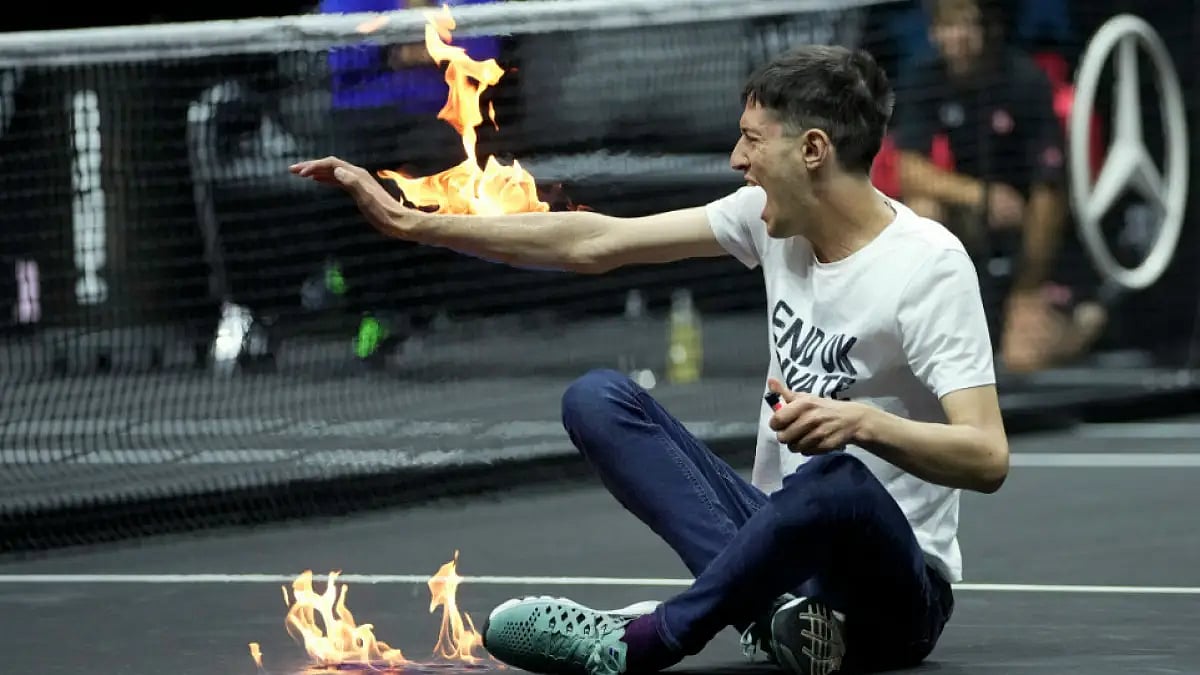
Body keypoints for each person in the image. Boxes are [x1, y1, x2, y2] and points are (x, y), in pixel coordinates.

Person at [290, 43, 1009, 675]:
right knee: (598, 398)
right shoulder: (768, 224)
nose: (737, 160)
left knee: (836, 482)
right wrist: (413, 223)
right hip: (780, 545)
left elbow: (985, 456)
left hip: (895, 591)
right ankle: (776, 615)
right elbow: (595, 242)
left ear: (813, 150)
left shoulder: (927, 269)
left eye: (752, 141)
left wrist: (861, 423)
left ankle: (647, 638)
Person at [892, 0, 1105, 372]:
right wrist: (982, 197)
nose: (956, 38)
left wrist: (1028, 285)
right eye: (947, 26)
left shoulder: (1024, 81)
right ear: (934, 32)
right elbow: (909, 170)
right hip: (978, 217)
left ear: (988, 30)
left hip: (1033, 229)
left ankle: (1087, 321)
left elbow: (1049, 193)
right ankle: (938, 320)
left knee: (1023, 358)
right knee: (923, 209)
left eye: (966, 26)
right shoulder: (924, 79)